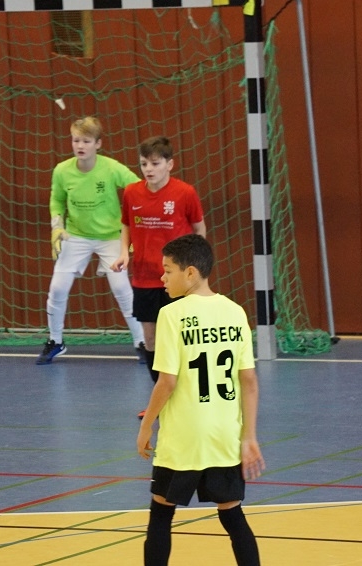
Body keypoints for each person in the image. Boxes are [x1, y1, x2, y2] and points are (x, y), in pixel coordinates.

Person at [137, 234, 264, 566]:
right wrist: (249, 436)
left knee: (161, 512)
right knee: (232, 514)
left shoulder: (171, 314)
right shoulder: (235, 312)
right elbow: (249, 381)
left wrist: (147, 426)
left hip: (184, 437)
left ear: (190, 273)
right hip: (224, 434)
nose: (162, 278)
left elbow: (167, 382)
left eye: (168, 271)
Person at [37, 117, 145, 365]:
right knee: (58, 288)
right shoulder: (62, 171)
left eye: (86, 141)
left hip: (111, 237)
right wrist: (57, 226)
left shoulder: (112, 168)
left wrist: (135, 230)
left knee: (121, 288)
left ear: (98, 144)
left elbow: (138, 190)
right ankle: (55, 341)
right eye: (76, 140)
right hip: (76, 236)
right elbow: (57, 201)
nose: (80, 146)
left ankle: (141, 342)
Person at [111, 136, 206, 418]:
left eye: (154, 163)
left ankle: (189, 397)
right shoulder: (131, 193)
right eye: (144, 164)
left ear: (169, 164)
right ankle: (162, 398)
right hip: (144, 278)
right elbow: (126, 225)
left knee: (183, 339)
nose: (148, 169)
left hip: (178, 281)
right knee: (151, 340)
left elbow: (199, 229)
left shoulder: (185, 193)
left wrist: (195, 267)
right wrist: (124, 253)